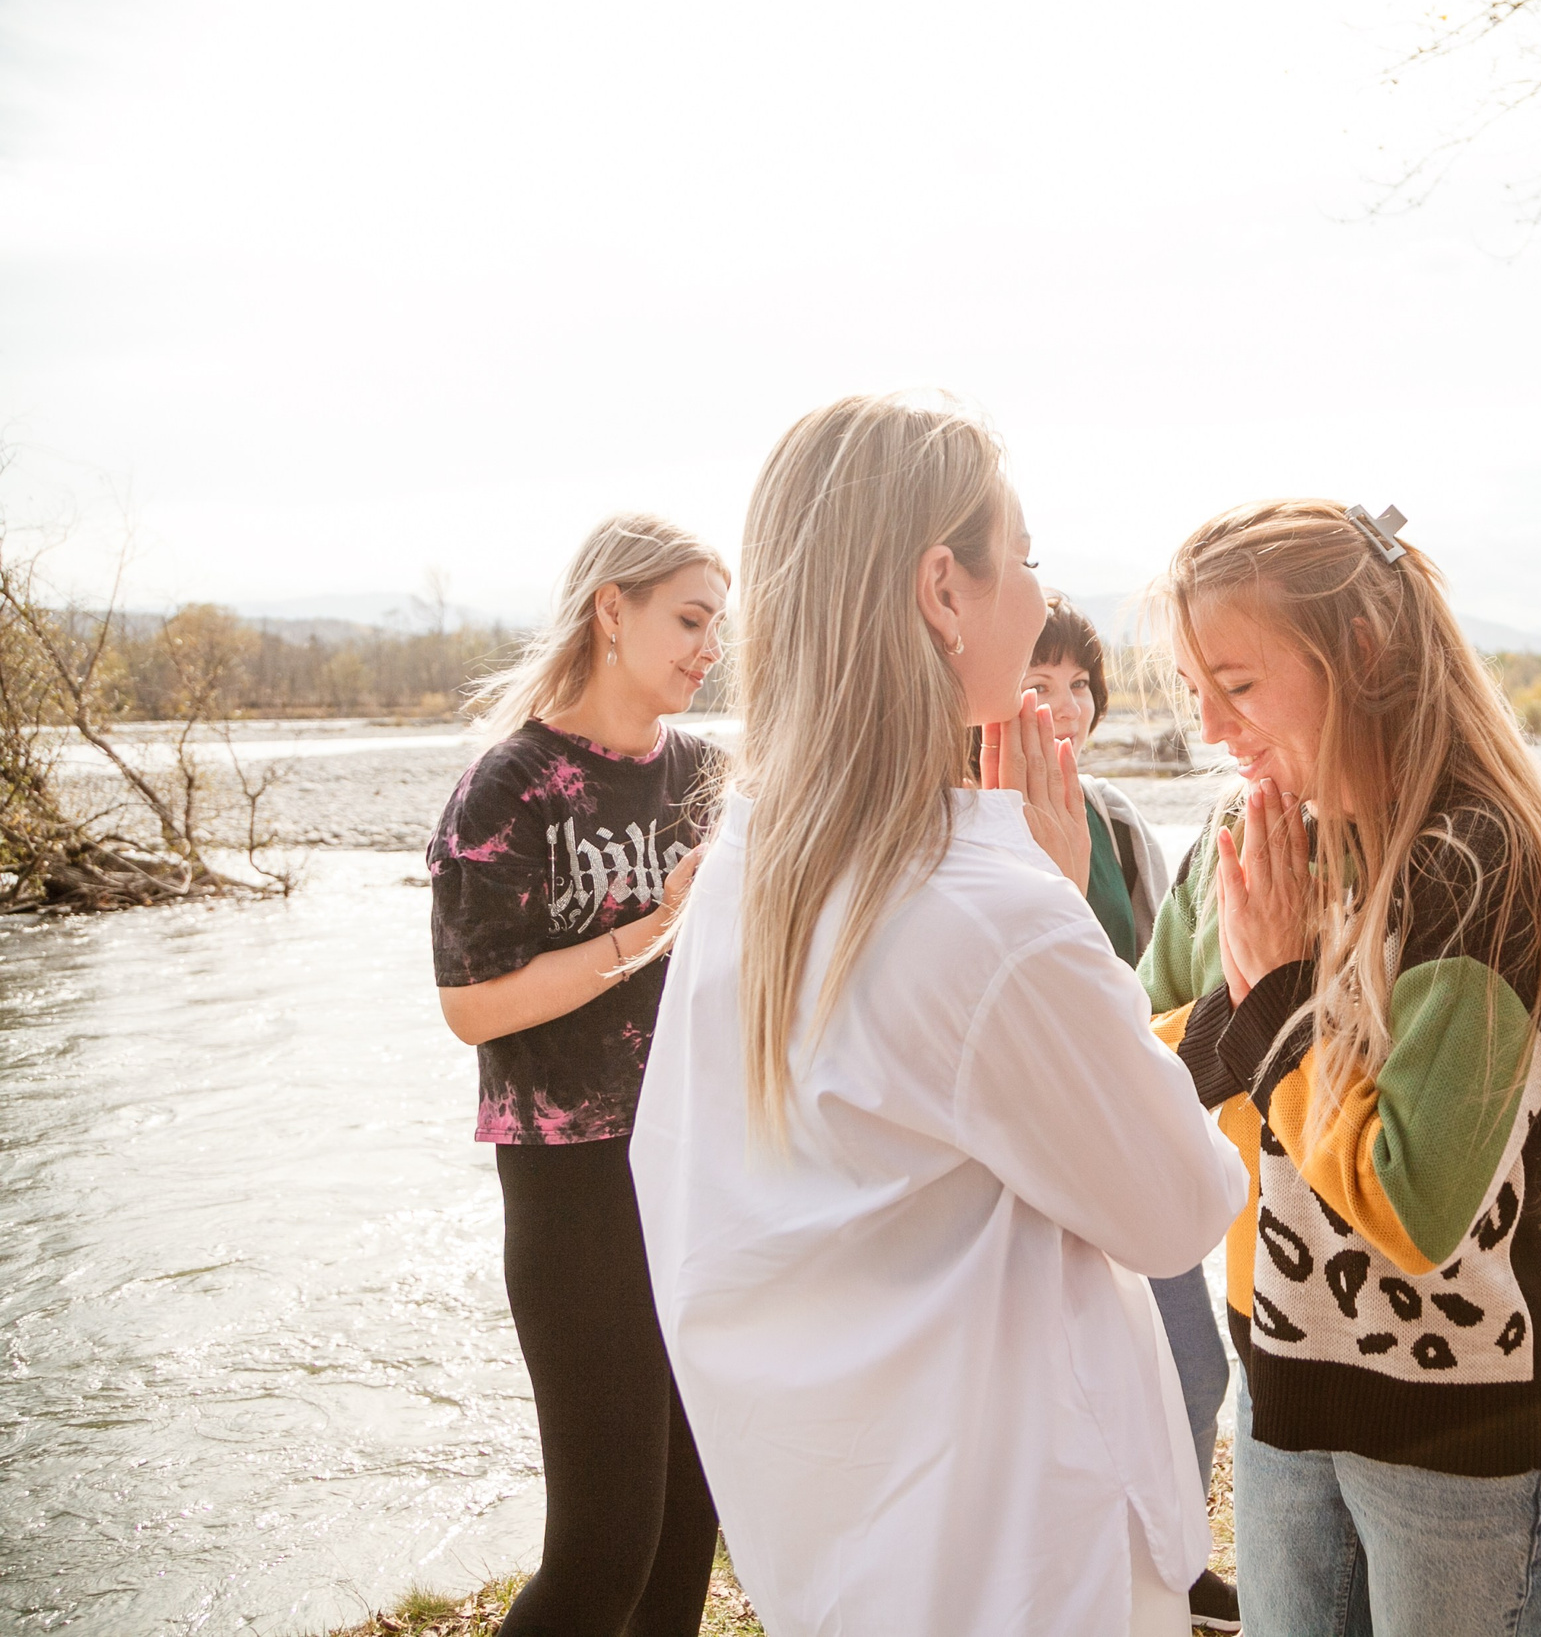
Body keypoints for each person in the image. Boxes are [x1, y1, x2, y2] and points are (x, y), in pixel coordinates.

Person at [627, 394, 1247, 1637]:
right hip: (1025, 1552)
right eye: (1018, 561)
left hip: (849, 1539)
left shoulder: (754, 859)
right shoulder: (980, 912)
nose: (1032, 596)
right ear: (941, 592)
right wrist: (1066, 911)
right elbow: (1177, 1206)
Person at [1139, 499, 1541, 1637]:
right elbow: (1148, 1062)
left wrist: (1275, 1006)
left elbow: (1414, 1203)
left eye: (1238, 686)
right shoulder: (1239, 841)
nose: (1210, 728)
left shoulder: (1477, 862)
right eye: (1197, 689)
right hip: (1282, 1375)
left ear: (1361, 653)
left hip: (1464, 1432)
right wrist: (1249, 1012)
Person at [426, 513, 729, 1637]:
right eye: (689, 619)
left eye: (717, 625)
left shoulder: (706, 775)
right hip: (573, 1187)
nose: (710, 648)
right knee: (602, 1551)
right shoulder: (512, 787)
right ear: (613, 609)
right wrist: (651, 930)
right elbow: (470, 1009)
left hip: (697, 1173)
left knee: (686, 1531)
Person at [1020, 594, 1238, 1632]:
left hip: (1126, 1116)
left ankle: (1175, 1559)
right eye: (1040, 683)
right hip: (1032, 1143)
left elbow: (1160, 977)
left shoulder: (1108, 816)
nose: (1064, 708)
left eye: (1079, 687)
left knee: (1192, 1362)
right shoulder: (972, 819)